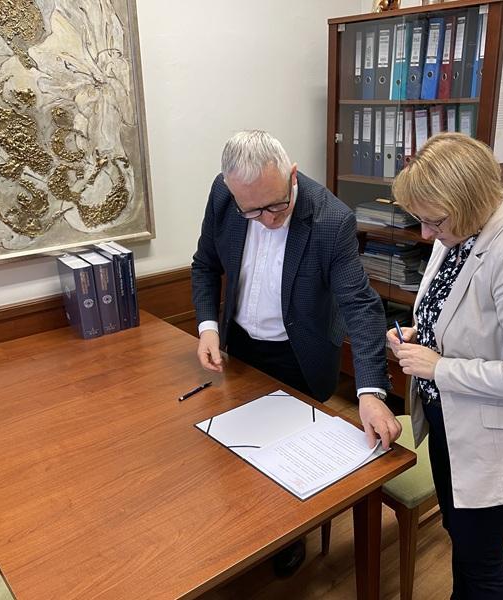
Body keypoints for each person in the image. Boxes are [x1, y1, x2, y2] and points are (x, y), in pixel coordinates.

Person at [191, 130, 401, 577]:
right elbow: (205, 264)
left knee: (291, 461)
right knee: (240, 448)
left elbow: (360, 305)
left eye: (276, 206)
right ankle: (243, 530)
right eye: (252, 211)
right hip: (240, 348)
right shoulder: (224, 196)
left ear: (292, 175)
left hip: (299, 352)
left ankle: (288, 537)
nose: (266, 220)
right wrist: (208, 326)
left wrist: (370, 391)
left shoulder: (330, 220)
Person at [387, 133, 503, 599]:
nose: (426, 234)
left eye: (433, 221)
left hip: (493, 438)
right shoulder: (459, 231)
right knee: (462, 541)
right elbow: (459, 315)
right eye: (420, 220)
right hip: (449, 421)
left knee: (482, 560)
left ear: (469, 201)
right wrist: (421, 335)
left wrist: (438, 367)